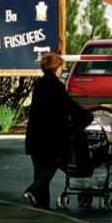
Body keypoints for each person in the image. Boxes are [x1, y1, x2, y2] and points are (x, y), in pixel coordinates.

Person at [24, 52, 93, 209]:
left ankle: (41, 205)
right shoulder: (56, 86)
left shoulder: (39, 85)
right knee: (53, 164)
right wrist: (87, 117)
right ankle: (33, 190)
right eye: (62, 66)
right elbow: (68, 106)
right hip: (51, 136)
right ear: (57, 68)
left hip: (35, 135)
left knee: (40, 168)